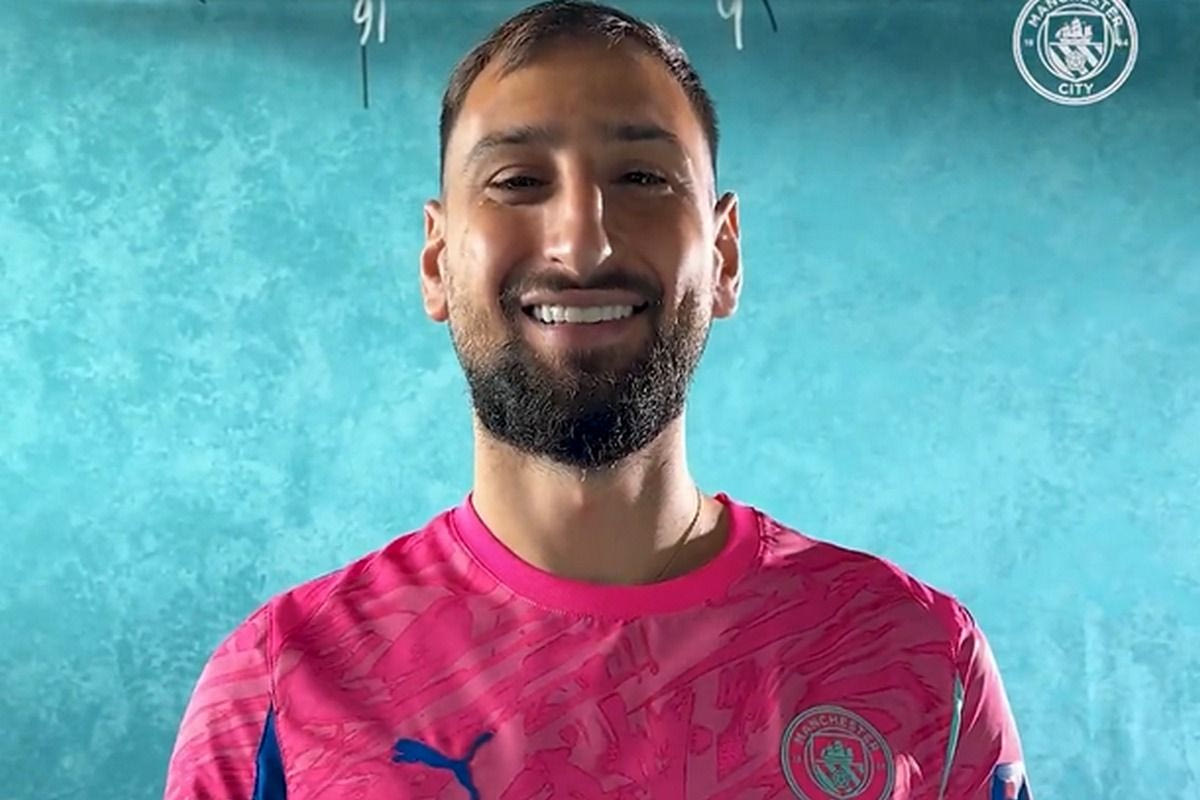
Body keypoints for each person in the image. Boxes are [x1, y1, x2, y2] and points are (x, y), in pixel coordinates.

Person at [163, 2, 1033, 798]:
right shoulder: (278, 687)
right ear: (436, 261)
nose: (583, 243)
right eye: (517, 181)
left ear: (724, 256)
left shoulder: (920, 658)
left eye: (643, 178)